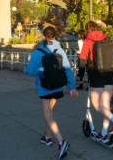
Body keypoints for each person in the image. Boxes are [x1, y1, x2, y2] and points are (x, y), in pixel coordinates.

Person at [25, 26, 78, 160]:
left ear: (44, 36)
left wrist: (38, 71)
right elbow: (67, 70)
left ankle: (62, 142)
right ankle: (47, 137)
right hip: (58, 87)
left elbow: (30, 71)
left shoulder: (38, 52)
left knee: (47, 115)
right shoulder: (60, 50)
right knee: (49, 113)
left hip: (45, 88)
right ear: (55, 36)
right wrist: (72, 87)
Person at [79, 21, 113, 144]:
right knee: (105, 106)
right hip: (109, 74)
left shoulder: (88, 40)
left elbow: (83, 59)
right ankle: (104, 134)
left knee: (97, 105)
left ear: (88, 29)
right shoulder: (106, 39)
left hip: (97, 74)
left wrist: (80, 75)